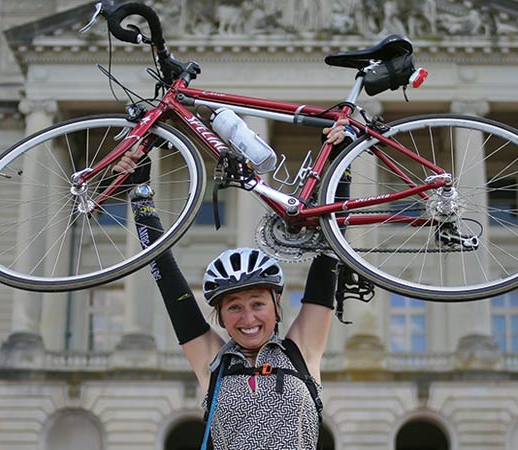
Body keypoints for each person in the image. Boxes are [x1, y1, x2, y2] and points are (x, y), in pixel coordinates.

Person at [113, 120, 353, 449]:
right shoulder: (213, 361)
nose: (248, 318)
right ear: (222, 317)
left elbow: (329, 257)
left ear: (275, 307)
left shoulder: (301, 351)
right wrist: (140, 192)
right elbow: (167, 279)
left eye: (257, 303)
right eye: (235, 307)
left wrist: (341, 162)